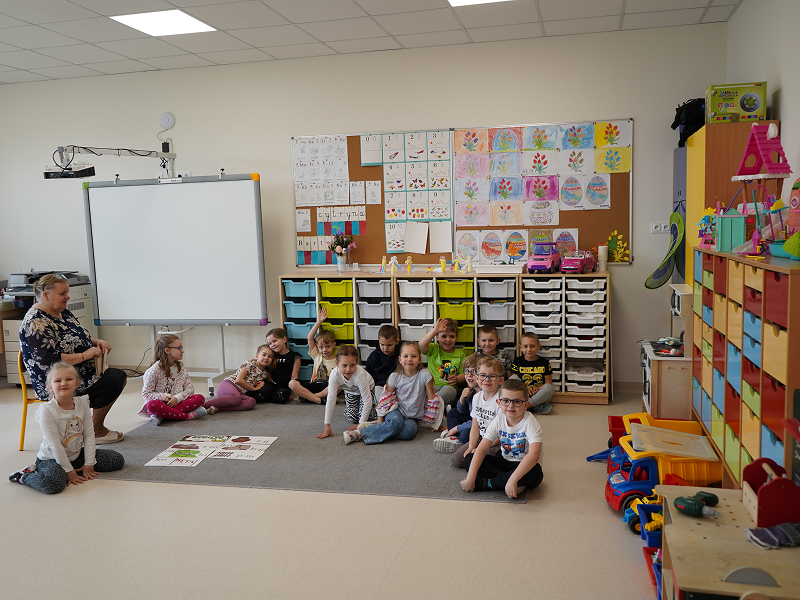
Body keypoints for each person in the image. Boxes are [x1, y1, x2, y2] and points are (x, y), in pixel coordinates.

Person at [19, 273, 126, 444]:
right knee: (113, 381)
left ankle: (92, 428)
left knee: (117, 376)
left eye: (67, 292)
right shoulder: (36, 322)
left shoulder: (63, 313)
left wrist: (97, 342)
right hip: (57, 381)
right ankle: (95, 431)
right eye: (62, 293)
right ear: (45, 295)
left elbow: (79, 336)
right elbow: (49, 361)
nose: (67, 297)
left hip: (77, 371)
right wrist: (85, 355)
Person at [9, 362, 124, 494]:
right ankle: (24, 475)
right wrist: (68, 471)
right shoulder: (47, 411)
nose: (63, 383)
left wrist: (89, 463)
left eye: (69, 379)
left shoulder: (82, 404)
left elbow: (89, 435)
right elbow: (55, 445)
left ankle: (72, 467)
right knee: (54, 485)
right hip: (51, 459)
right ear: (50, 387)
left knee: (117, 460)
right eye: (58, 380)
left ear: (76, 383)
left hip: (75, 456)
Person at [461, 379, 544, 499]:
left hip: (525, 466)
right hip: (505, 462)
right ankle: (510, 482)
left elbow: (534, 455)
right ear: (498, 403)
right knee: (469, 459)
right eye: (505, 401)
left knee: (535, 473)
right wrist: (470, 479)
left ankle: (489, 484)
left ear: (526, 405)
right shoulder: (499, 419)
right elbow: (482, 448)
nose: (510, 405)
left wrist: (513, 479)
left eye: (517, 401)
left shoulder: (530, 423)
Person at [343, 341, 435, 445]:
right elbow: (385, 401)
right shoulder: (395, 376)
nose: (409, 359)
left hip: (412, 417)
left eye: (413, 356)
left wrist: (436, 423)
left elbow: (433, 400)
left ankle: (376, 428)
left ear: (419, 360)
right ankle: (358, 434)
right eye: (406, 356)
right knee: (396, 422)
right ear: (400, 359)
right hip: (395, 411)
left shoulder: (424, 374)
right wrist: (380, 420)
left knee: (409, 432)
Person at [139, 335, 214, 425]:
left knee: (200, 398)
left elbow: (190, 389)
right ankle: (188, 416)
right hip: (161, 404)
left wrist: (177, 398)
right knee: (152, 405)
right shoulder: (153, 371)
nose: (182, 350)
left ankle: (162, 415)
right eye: (179, 348)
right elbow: (146, 394)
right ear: (167, 351)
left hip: (178, 403)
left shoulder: (180, 367)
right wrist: (166, 397)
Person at [451, 356, 504, 469]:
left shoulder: (502, 401)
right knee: (456, 460)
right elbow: (475, 425)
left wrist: (480, 448)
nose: (487, 379)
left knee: (474, 461)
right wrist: (471, 446)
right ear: (477, 377)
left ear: (501, 380)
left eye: (492, 376)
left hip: (497, 441)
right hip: (482, 437)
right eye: (483, 375)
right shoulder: (476, 397)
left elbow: (501, 434)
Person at [317, 345, 376, 439]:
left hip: (367, 391)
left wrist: (359, 426)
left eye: (352, 365)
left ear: (356, 363)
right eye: (344, 365)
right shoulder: (334, 374)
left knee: (368, 418)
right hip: (350, 391)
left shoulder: (360, 375)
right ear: (337, 363)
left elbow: (367, 401)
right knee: (352, 418)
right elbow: (331, 398)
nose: (348, 369)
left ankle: (376, 407)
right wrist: (327, 425)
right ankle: (351, 409)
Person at [203, 344, 276, 412]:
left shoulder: (265, 373)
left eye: (270, 356)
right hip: (229, 384)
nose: (266, 358)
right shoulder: (251, 364)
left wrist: (258, 385)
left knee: (251, 402)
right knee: (236, 398)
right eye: (264, 355)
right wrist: (254, 389)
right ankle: (204, 405)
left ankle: (218, 408)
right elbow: (239, 381)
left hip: (240, 393)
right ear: (257, 356)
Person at [434, 352, 480, 453]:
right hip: (471, 419)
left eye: (474, 371)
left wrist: (457, 428)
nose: (469, 375)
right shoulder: (471, 389)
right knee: (453, 413)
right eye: (467, 371)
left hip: (480, 425)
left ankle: (456, 438)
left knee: (465, 434)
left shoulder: (483, 393)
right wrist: (462, 399)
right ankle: (454, 437)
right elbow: (461, 411)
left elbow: (479, 422)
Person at [289, 309, 336, 405]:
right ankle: (318, 400)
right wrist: (319, 322)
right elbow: (309, 338)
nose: (325, 350)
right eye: (321, 347)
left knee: (338, 385)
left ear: (334, 345)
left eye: (328, 346)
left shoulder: (337, 361)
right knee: (292, 383)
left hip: (327, 387)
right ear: (318, 348)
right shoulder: (317, 355)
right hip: (313, 385)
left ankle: (309, 397)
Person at [419, 318, 466, 408]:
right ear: (437, 337)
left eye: (452, 336)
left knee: (450, 392)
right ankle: (438, 407)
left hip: (447, 389)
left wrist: (457, 378)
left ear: (456, 337)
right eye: (444, 336)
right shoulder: (433, 348)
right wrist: (435, 330)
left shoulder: (460, 354)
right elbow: (421, 345)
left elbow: (463, 375)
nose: (448, 340)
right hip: (431, 387)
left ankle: (431, 407)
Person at [508, 332, 554, 415]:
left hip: (538, 394)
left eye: (532, 346)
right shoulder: (517, 361)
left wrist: (539, 388)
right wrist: (525, 388)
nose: (529, 349)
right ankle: (536, 407)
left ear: (538, 347)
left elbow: (548, 382)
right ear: (520, 348)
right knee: (512, 379)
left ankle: (526, 405)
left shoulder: (544, 362)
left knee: (549, 388)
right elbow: (515, 381)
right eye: (525, 346)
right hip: (523, 393)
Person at [364, 324, 400, 401]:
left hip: (397, 386)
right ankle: (385, 407)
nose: (385, 348)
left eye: (389, 345)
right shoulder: (374, 356)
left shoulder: (401, 355)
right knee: (377, 392)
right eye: (382, 344)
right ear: (378, 340)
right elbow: (367, 375)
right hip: (379, 386)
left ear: (397, 342)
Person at [265, 327, 301, 403]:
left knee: (281, 396)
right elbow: (261, 364)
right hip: (271, 385)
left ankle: (266, 397)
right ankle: (265, 395)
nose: (272, 345)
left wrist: (292, 392)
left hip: (285, 386)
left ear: (284, 340)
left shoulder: (295, 356)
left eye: (275, 341)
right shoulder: (271, 356)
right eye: (270, 343)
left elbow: (294, 376)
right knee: (261, 392)